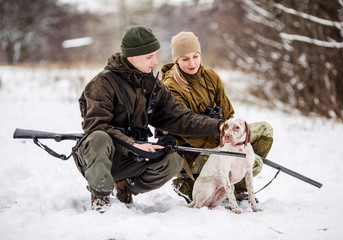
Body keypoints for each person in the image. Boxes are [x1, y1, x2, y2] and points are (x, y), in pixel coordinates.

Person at [73, 26, 224, 212]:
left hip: (131, 157)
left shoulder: (153, 86)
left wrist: (219, 127)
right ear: (131, 57)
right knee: (99, 137)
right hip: (97, 157)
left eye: (156, 54)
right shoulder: (102, 84)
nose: (155, 61)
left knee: (173, 160)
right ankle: (100, 196)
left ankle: (125, 185)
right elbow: (95, 126)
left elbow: (181, 117)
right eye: (149, 56)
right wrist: (133, 145)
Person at [159, 31, 274, 203]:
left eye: (195, 56)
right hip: (192, 152)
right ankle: (187, 183)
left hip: (219, 140)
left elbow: (228, 114)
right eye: (185, 59)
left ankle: (237, 188)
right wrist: (220, 136)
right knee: (255, 163)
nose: (192, 63)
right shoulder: (171, 86)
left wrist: (232, 138)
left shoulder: (211, 77)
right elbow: (186, 126)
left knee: (265, 130)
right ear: (176, 60)